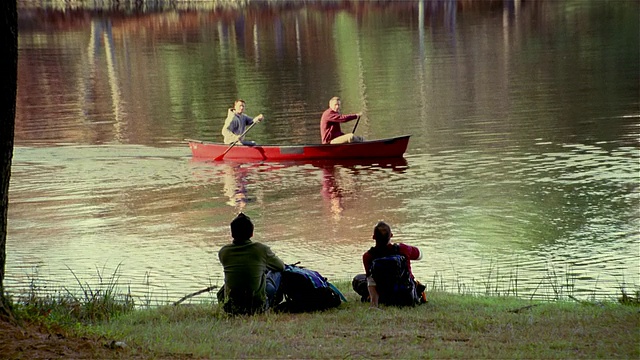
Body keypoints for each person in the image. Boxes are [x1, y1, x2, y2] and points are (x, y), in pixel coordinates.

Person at [218, 213, 285, 315]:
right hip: (257, 306)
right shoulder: (261, 249)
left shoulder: (224, 252)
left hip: (232, 306)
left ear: (232, 233)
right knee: (277, 273)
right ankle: (272, 304)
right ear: (252, 233)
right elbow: (281, 266)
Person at [352, 221, 426, 308]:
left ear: (374, 237)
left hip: (384, 296)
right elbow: (420, 255)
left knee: (358, 279)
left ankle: (372, 298)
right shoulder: (403, 249)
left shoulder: (368, 256)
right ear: (391, 235)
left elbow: (371, 281)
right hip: (406, 295)